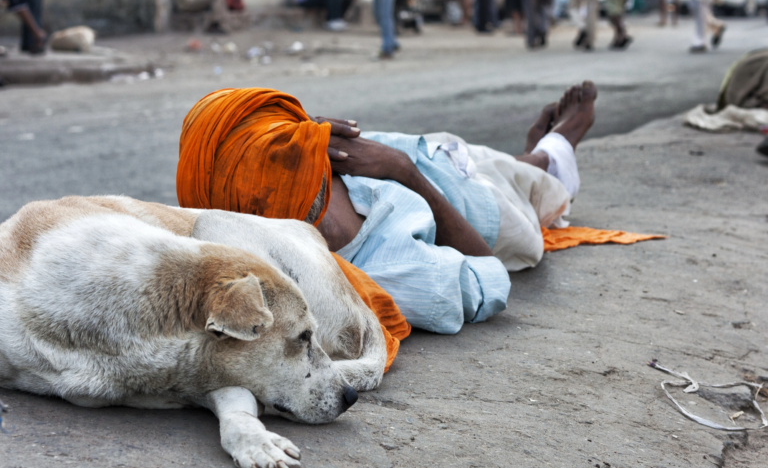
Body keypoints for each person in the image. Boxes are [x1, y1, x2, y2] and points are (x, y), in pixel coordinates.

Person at [176, 82, 597, 335]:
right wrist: (404, 172)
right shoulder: (393, 272)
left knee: (488, 160)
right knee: (527, 180)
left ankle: (533, 157)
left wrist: (312, 138)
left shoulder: (317, 162)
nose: (312, 138)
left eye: (293, 134)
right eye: (291, 145)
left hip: (433, 153)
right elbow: (491, 277)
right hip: (479, 210)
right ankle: (552, 150)